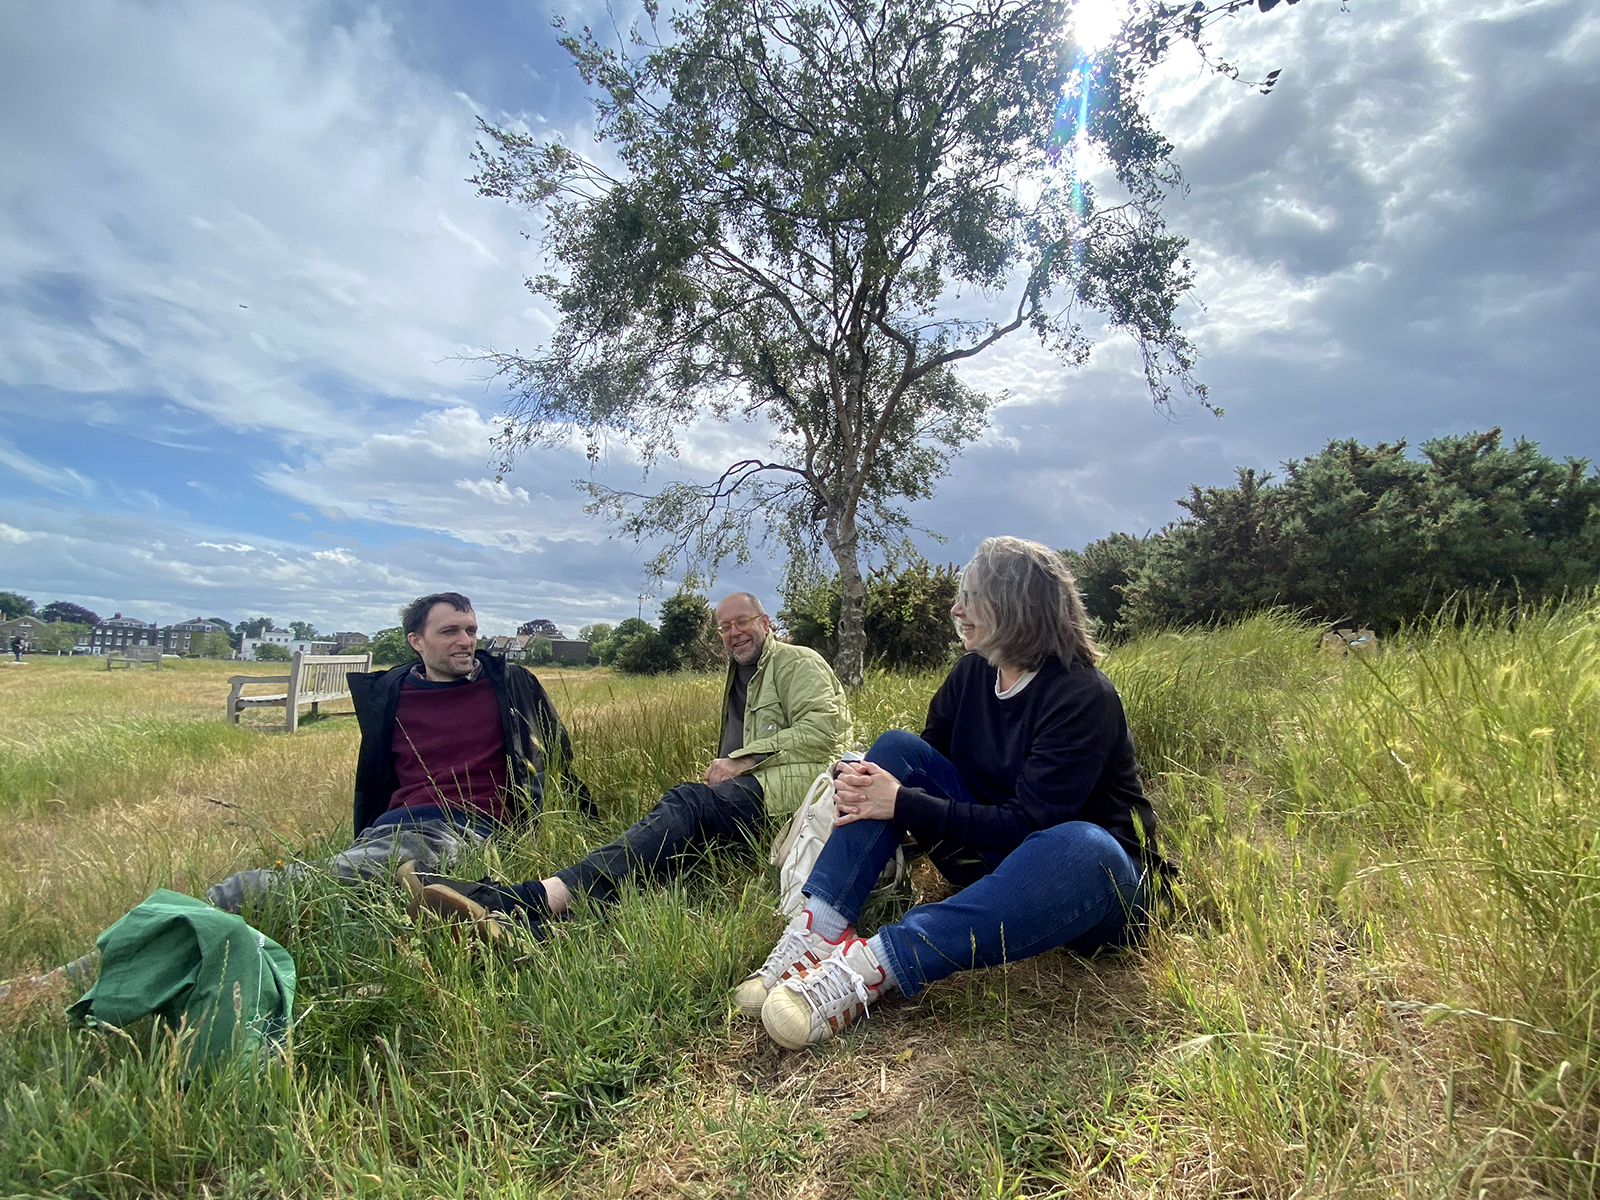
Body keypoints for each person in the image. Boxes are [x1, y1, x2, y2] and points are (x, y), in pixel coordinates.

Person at [743, 537, 1168, 1050]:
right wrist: (865, 780)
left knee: (1087, 844)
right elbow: (924, 766)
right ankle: (821, 930)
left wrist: (901, 803)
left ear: (1013, 607)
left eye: (970, 596)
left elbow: (1028, 824)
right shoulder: (971, 675)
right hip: (989, 860)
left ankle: (870, 968)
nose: (956, 609)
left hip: (1088, 889)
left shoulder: (1082, 695)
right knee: (894, 750)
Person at [404, 591, 853, 939]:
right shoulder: (741, 674)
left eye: (743, 622)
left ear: (765, 623)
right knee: (672, 851)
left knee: (687, 804)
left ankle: (528, 899)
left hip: (800, 792)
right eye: (724, 627)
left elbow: (826, 729)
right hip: (757, 795)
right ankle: (539, 929)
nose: (734, 632)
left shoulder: (796, 661)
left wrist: (743, 760)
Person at [207, 592, 585, 913]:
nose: (465, 641)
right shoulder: (391, 694)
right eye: (449, 631)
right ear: (416, 641)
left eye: (470, 630)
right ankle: (214, 909)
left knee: (331, 883)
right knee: (349, 881)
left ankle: (223, 900)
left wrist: (583, 825)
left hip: (468, 828)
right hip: (390, 826)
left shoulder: (510, 684)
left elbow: (558, 757)